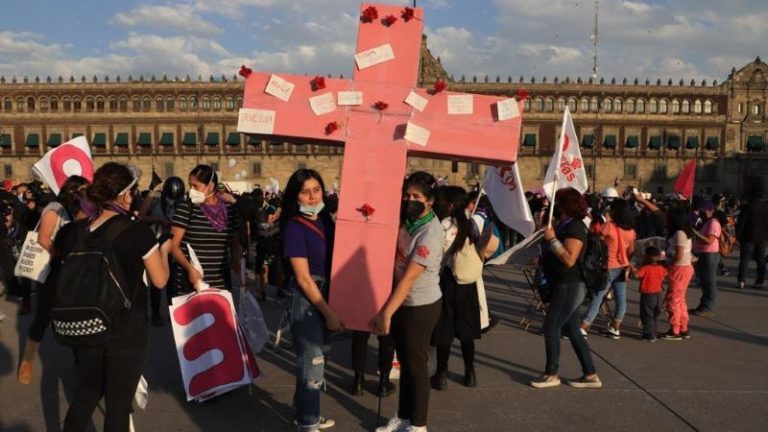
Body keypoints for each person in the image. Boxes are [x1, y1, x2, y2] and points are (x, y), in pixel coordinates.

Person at [61, 162, 171, 431]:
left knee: (85, 395)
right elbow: (159, 280)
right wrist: (165, 251)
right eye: (133, 191)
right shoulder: (137, 231)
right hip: (126, 327)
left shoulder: (75, 230)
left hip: (86, 322)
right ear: (125, 195)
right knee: (118, 406)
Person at [373, 171, 444, 432]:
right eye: (407, 195)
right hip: (402, 301)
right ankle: (403, 416)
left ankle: (419, 424)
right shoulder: (408, 221)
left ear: (430, 201)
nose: (410, 200)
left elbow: (409, 279)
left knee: (416, 366)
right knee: (405, 362)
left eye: (416, 197)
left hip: (420, 305)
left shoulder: (430, 233)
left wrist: (386, 313)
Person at [281, 168, 341, 431]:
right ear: (295, 197)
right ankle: (308, 423)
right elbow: (304, 279)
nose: (313, 197)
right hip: (307, 298)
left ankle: (304, 412)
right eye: (305, 192)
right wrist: (329, 313)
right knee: (312, 363)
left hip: (326, 293)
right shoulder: (294, 227)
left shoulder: (326, 221)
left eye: (317, 190)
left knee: (315, 359)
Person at [17, 175, 89, 384]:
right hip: (53, 270)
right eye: (81, 191)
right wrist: (62, 255)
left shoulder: (81, 211)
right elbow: (43, 238)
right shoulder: (55, 208)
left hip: (74, 271)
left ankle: (80, 363)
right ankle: (27, 362)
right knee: (43, 316)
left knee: (77, 316)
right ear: (71, 191)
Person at [531, 187, 601, 389]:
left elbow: (569, 259)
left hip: (570, 283)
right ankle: (590, 374)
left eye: (558, 203)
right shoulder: (565, 224)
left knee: (551, 327)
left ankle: (551, 374)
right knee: (572, 330)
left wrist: (552, 240)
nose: (555, 206)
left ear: (565, 205)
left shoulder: (575, 227)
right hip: (563, 282)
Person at [430, 185, 482, 391]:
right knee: (466, 329)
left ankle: (441, 373)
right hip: (468, 282)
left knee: (445, 329)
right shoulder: (471, 223)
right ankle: (470, 372)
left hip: (448, 280)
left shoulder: (445, 224)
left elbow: (438, 254)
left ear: (450, 204)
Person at [170, 165, 241, 294]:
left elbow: (235, 243)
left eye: (195, 186)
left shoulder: (229, 210)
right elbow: (173, 245)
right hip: (191, 281)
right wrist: (190, 269)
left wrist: (238, 263)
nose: (191, 190)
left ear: (211, 186)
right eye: (190, 185)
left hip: (220, 282)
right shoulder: (186, 207)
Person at [581, 198, 636, 339]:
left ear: (615, 211)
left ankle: (584, 325)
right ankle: (615, 326)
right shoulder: (630, 230)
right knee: (621, 298)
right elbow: (631, 250)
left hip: (608, 266)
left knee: (597, 296)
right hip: (622, 265)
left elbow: (596, 243)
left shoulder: (608, 226)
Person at [661, 206, 694, 341]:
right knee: (680, 299)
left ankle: (675, 329)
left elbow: (679, 254)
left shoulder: (679, 233)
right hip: (685, 267)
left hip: (679, 268)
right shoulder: (685, 232)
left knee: (673, 299)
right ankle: (683, 327)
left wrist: (667, 262)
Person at [631, 246, 667, 342]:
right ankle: (654, 332)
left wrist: (632, 268)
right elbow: (665, 275)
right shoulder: (661, 268)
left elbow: (636, 275)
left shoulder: (645, 268)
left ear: (646, 257)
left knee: (647, 315)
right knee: (655, 314)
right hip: (658, 294)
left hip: (648, 295)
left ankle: (649, 335)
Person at [691, 201, 721, 316]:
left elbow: (709, 241)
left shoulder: (714, 223)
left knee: (709, 281)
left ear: (711, 211)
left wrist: (696, 233)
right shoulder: (706, 222)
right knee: (704, 281)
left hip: (709, 254)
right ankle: (703, 305)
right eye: (701, 210)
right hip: (702, 253)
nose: (702, 212)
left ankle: (708, 306)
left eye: (705, 210)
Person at [736, 188, 768, 289]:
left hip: (748, 237)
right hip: (761, 237)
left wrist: (738, 235)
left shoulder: (747, 207)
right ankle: (759, 281)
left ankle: (741, 280)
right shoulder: (765, 207)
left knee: (745, 259)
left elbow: (741, 223)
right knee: (761, 260)